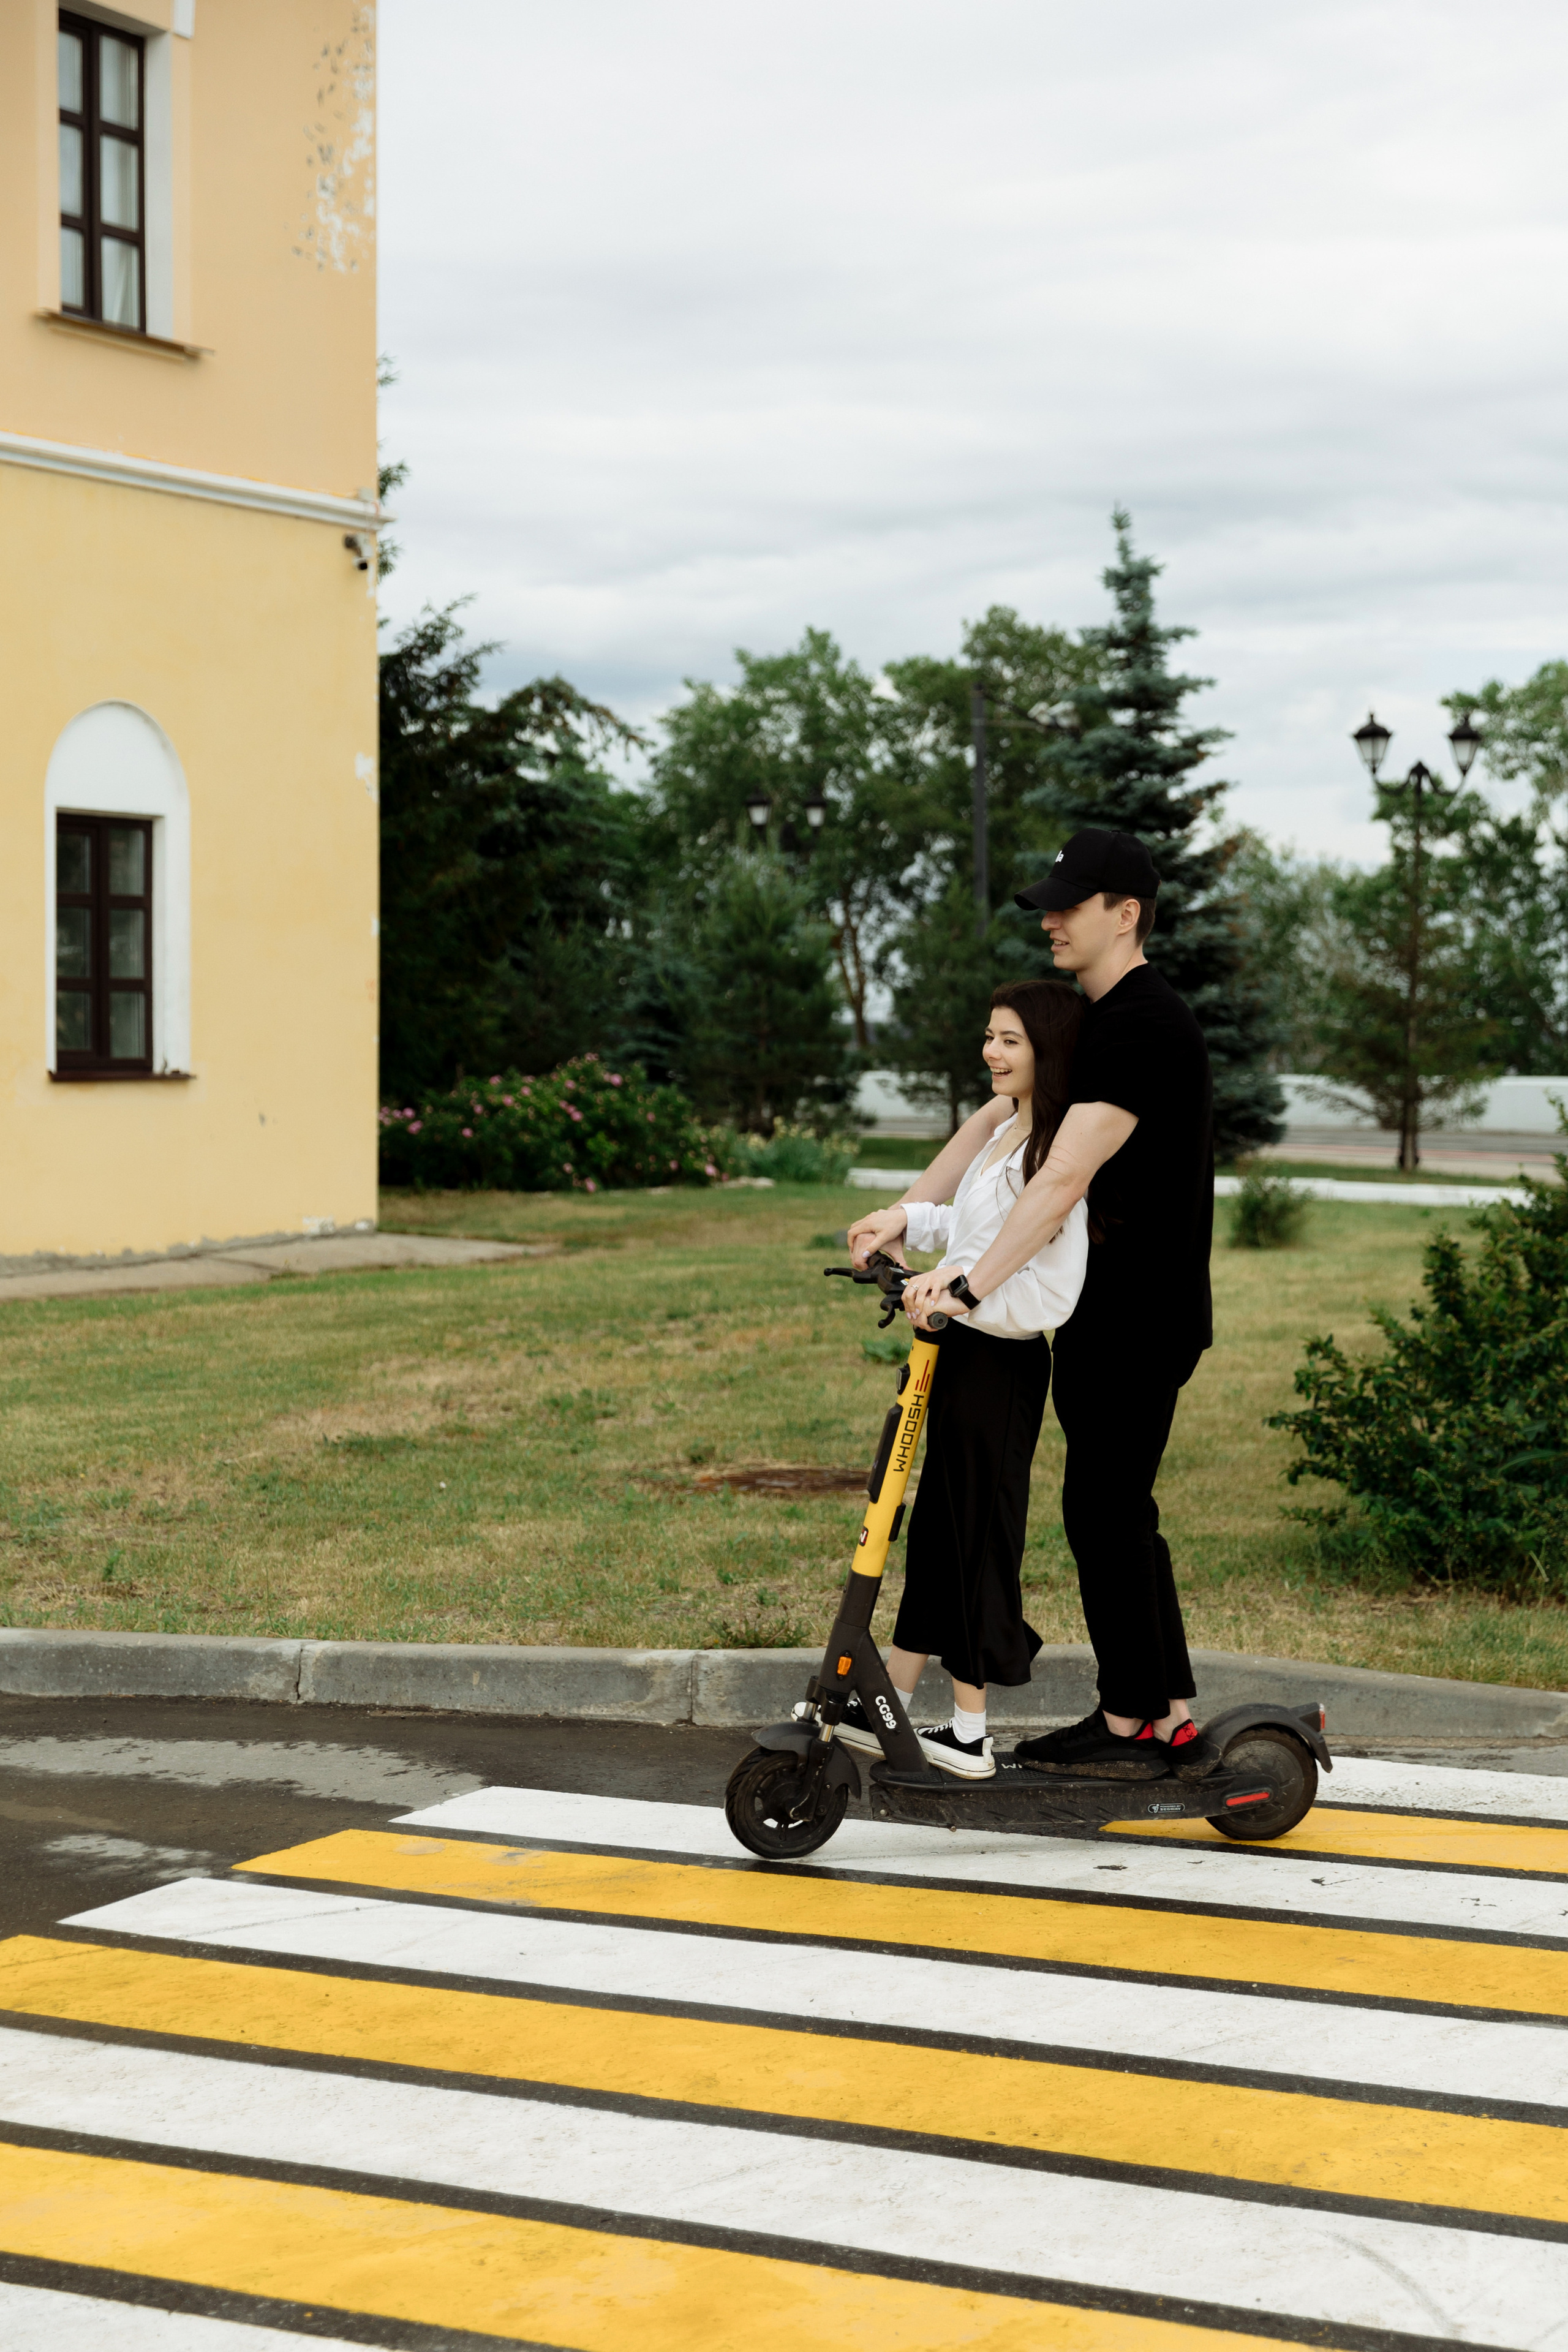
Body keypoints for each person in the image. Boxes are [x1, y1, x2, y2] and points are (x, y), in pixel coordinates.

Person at [899, 827, 1219, 1782]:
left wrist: (968, 1283)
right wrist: (910, 1212)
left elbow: (1064, 1177)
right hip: (1109, 1315)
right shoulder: (1101, 1019)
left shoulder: (1140, 1025)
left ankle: (1132, 1726)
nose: (1050, 918)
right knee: (1117, 1510)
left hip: (1139, 1316)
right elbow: (1005, 1115)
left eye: (1069, 906)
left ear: (1125, 916)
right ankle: (1164, 1714)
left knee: (1106, 1508)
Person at [839, 980, 1088, 1779]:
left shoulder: (1053, 1153)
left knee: (979, 1537)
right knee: (941, 1534)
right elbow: (969, 1226)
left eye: (1010, 1040)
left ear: (1047, 1050)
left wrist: (957, 1287)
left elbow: (1042, 1278)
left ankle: (971, 1734)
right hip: (959, 1358)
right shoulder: (1009, 1135)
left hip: (1003, 1365)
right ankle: (896, 1703)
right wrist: (905, 1221)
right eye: (990, 1036)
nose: (992, 1051)